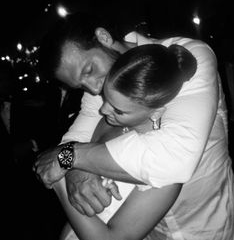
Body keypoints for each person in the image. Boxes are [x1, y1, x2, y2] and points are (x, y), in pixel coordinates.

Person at [34, 12, 234, 238]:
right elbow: (77, 138)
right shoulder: (108, 86)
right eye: (80, 85)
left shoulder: (183, 60)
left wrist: (67, 160)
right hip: (148, 230)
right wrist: (72, 171)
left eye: (89, 70)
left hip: (206, 226)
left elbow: (173, 159)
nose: (92, 88)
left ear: (103, 37)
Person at [54, 43, 198, 240]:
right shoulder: (108, 123)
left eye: (118, 109)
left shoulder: (163, 168)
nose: (103, 111)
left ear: (155, 112)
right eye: (106, 97)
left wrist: (59, 182)